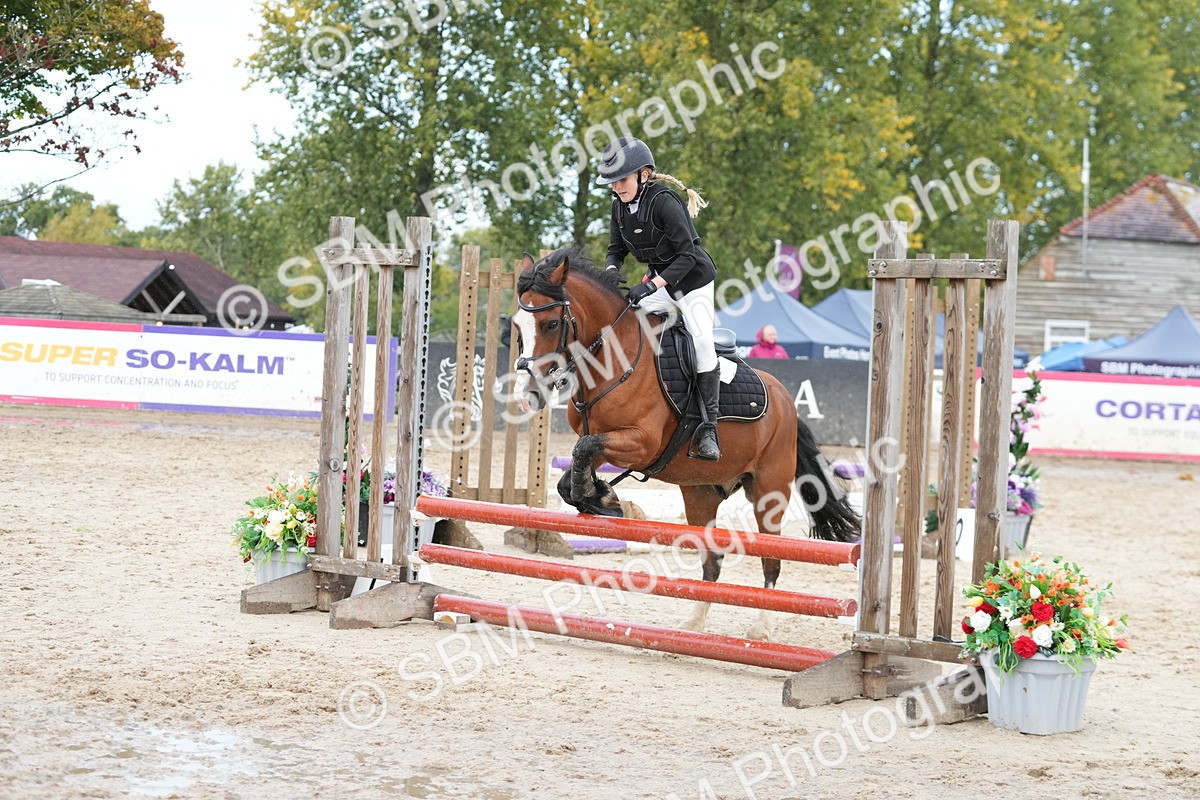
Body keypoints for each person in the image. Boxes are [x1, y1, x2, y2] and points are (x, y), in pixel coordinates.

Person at [597, 136, 721, 461]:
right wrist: (611, 271)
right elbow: (615, 250)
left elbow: (687, 256)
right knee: (625, 323)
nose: (617, 187)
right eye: (612, 182)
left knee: (702, 340)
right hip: (661, 282)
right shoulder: (619, 207)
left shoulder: (664, 201)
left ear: (643, 175)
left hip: (693, 281)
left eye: (622, 180)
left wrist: (652, 285)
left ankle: (708, 428)